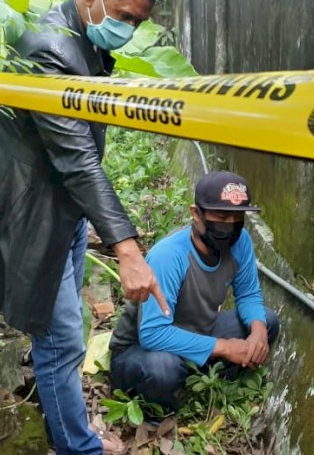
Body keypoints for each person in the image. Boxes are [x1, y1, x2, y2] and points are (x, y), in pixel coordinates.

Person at [0, 0, 169, 453]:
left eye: (138, 23)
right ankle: (79, 448)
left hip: (64, 208)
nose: (129, 30)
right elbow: (77, 160)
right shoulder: (48, 49)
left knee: (61, 331)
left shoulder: (86, 37)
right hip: (34, 211)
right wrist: (127, 249)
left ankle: (63, 418)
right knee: (61, 340)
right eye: (124, 16)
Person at [109, 171, 281, 411]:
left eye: (237, 218)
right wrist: (225, 347)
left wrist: (258, 333)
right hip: (141, 350)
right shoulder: (169, 255)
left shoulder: (240, 243)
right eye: (221, 216)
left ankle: (198, 379)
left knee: (267, 320)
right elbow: (153, 333)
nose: (230, 227)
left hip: (199, 329)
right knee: (164, 369)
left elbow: (248, 294)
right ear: (196, 214)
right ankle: (169, 395)